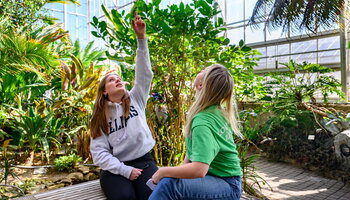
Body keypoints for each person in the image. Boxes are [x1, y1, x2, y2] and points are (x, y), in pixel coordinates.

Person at [148, 64, 243, 200]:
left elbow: (199, 169)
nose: (201, 70)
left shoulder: (203, 121)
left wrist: (163, 171)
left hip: (227, 185)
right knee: (172, 180)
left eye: (204, 71)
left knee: (168, 185)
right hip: (221, 180)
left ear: (201, 85)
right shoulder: (213, 111)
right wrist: (177, 172)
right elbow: (193, 153)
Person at [90, 14, 158, 200]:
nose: (117, 80)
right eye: (112, 80)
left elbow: (145, 73)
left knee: (151, 196)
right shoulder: (100, 116)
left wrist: (141, 39)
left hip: (145, 161)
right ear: (104, 91)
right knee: (124, 197)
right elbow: (99, 153)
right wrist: (124, 170)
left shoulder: (136, 98)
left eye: (119, 78)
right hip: (115, 168)